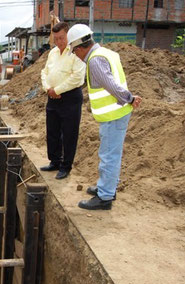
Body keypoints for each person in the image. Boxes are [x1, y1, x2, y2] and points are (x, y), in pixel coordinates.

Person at [67, 24, 142, 210]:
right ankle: (106, 188)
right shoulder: (107, 53)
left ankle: (105, 197)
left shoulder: (94, 60)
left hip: (113, 115)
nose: (75, 55)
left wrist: (129, 98)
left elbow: (110, 85)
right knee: (111, 154)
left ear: (79, 47)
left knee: (109, 156)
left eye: (74, 51)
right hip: (116, 113)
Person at [40, 22, 86, 180]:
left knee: (69, 133)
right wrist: (48, 89)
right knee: (52, 131)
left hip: (70, 98)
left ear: (68, 35)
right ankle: (55, 161)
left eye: (62, 38)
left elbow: (77, 77)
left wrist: (57, 90)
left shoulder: (76, 52)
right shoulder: (52, 53)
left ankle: (66, 166)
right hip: (52, 97)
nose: (59, 41)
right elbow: (44, 73)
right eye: (56, 38)